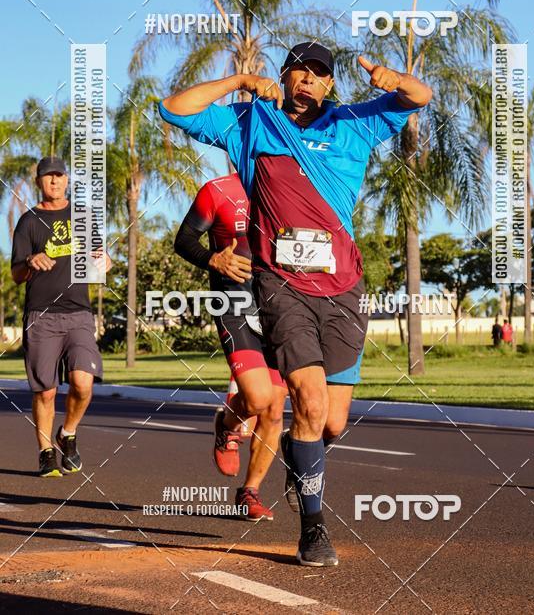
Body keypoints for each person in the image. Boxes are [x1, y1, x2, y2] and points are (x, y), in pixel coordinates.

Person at [159, 41, 432, 567]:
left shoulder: (355, 123)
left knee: (331, 424)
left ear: (330, 84)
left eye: (318, 74)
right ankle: (313, 528)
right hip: (282, 288)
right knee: (304, 402)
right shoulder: (251, 122)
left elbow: (419, 95)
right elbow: (173, 108)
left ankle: (299, 457)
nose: (306, 80)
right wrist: (239, 83)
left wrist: (388, 76)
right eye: (298, 71)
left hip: (344, 289)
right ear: (283, 78)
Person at [174, 173, 287, 522]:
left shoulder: (291, 184)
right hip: (234, 302)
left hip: (282, 307)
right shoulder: (218, 190)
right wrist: (213, 259)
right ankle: (226, 425)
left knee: (275, 410)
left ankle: (249, 492)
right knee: (256, 399)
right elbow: (184, 239)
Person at [10, 156, 111, 477]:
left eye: (59, 176)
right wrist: (30, 260)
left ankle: (67, 433)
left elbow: (100, 257)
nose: (54, 181)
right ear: (39, 182)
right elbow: (15, 274)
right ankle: (44, 452)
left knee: (83, 383)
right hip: (41, 316)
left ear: (67, 180)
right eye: (47, 177)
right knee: (46, 391)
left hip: (79, 312)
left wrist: (104, 259)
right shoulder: (28, 222)